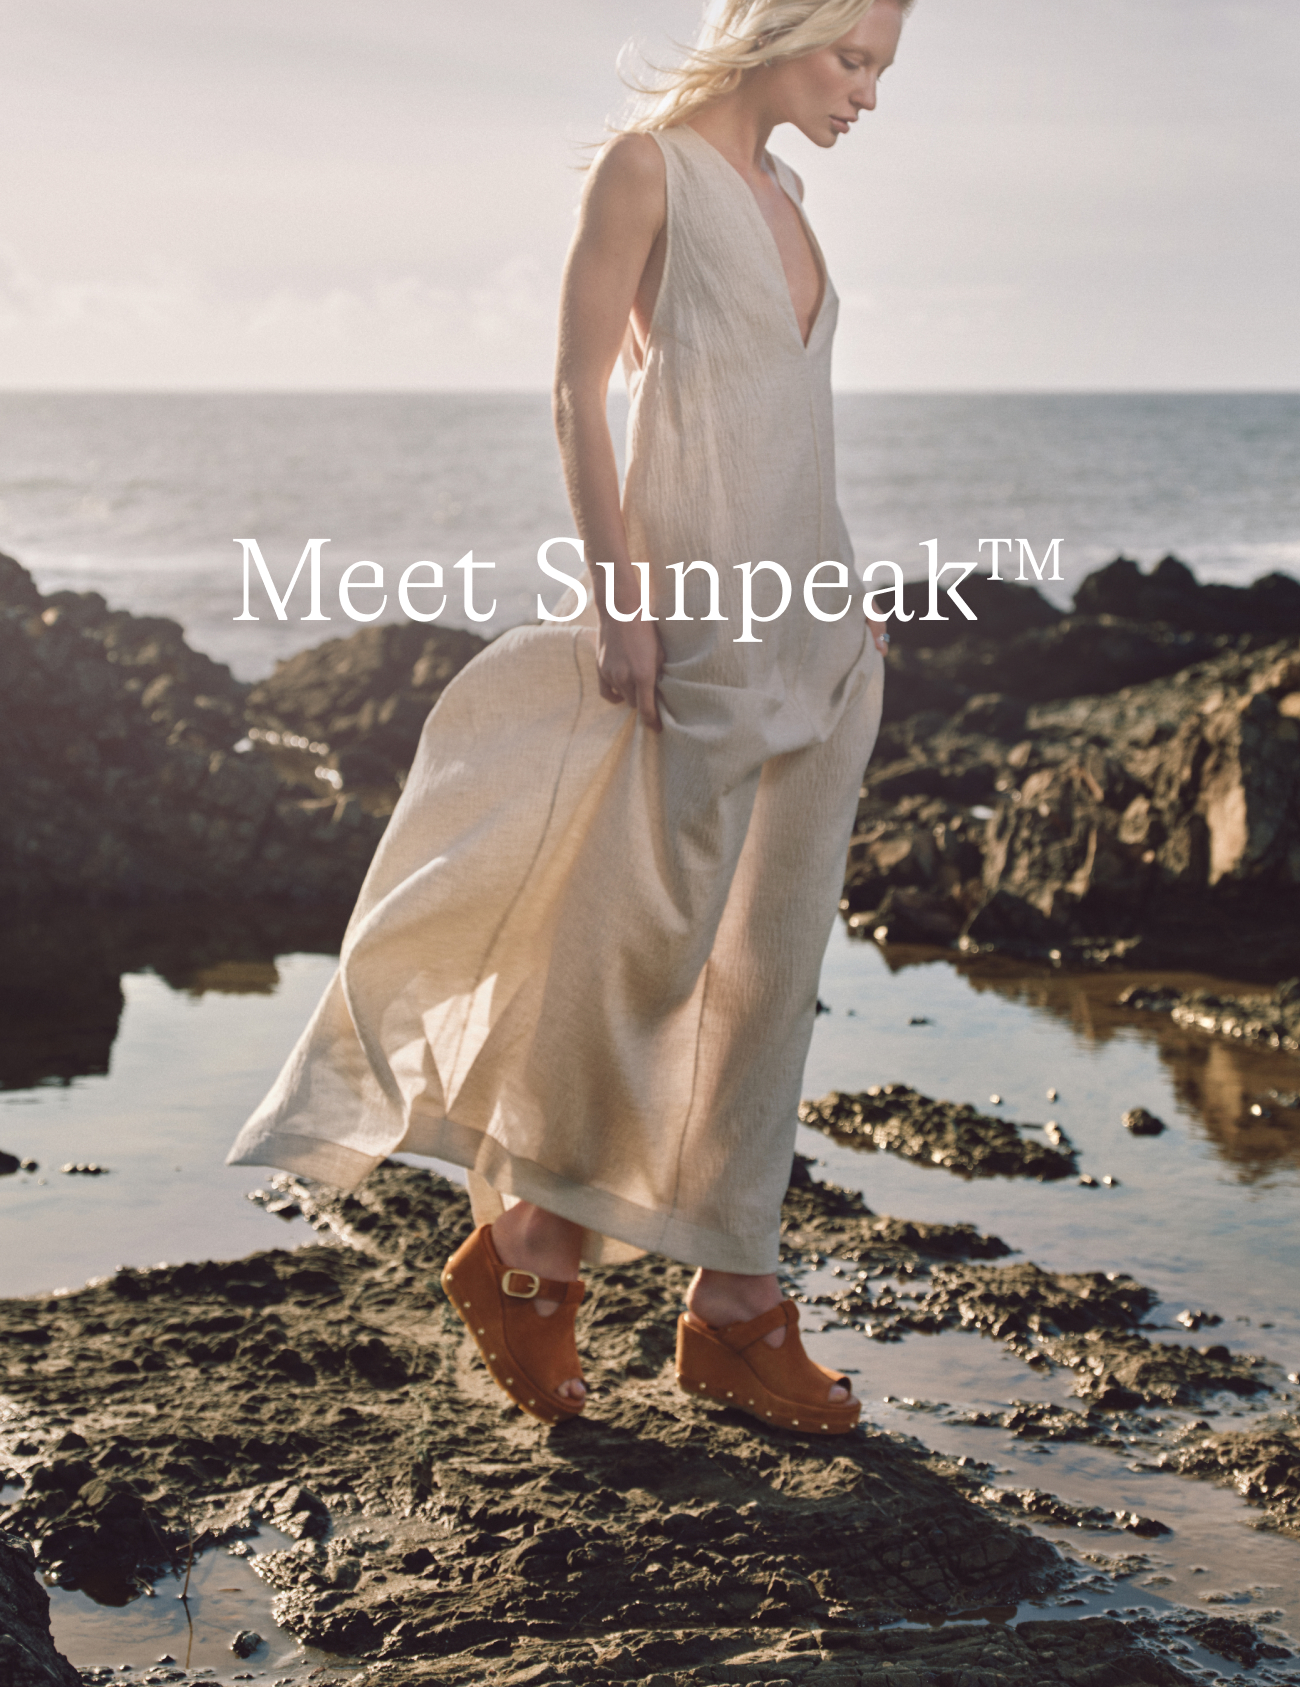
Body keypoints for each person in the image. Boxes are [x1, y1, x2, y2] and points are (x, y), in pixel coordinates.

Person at [228, 0, 907, 1436]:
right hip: (702, 632)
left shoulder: (788, 196)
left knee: (769, 981)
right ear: (784, 28)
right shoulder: (651, 170)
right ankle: (531, 1252)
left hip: (820, 634)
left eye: (881, 72)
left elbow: (788, 426)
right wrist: (618, 600)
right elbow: (577, 393)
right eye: (854, 60)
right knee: (641, 959)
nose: (867, 95)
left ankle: (734, 1306)